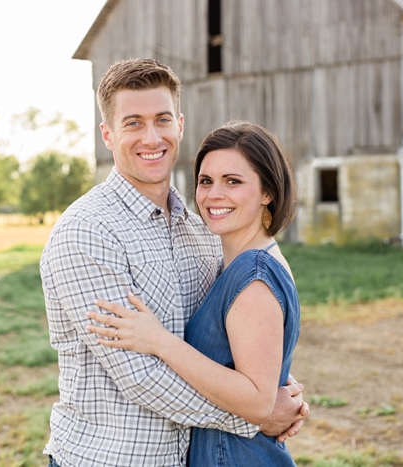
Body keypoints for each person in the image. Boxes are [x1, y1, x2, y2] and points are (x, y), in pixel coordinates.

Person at [40, 58, 308, 467]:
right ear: (108, 134)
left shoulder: (202, 231)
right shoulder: (86, 232)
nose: (152, 137)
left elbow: (228, 347)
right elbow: (140, 377)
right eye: (133, 123)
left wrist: (274, 384)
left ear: (180, 125)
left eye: (162, 119)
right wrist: (258, 414)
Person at [87, 121, 302, 466]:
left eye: (233, 181)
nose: (214, 194)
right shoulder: (240, 263)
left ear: (268, 192)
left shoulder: (254, 274)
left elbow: (260, 402)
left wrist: (159, 341)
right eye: (206, 181)